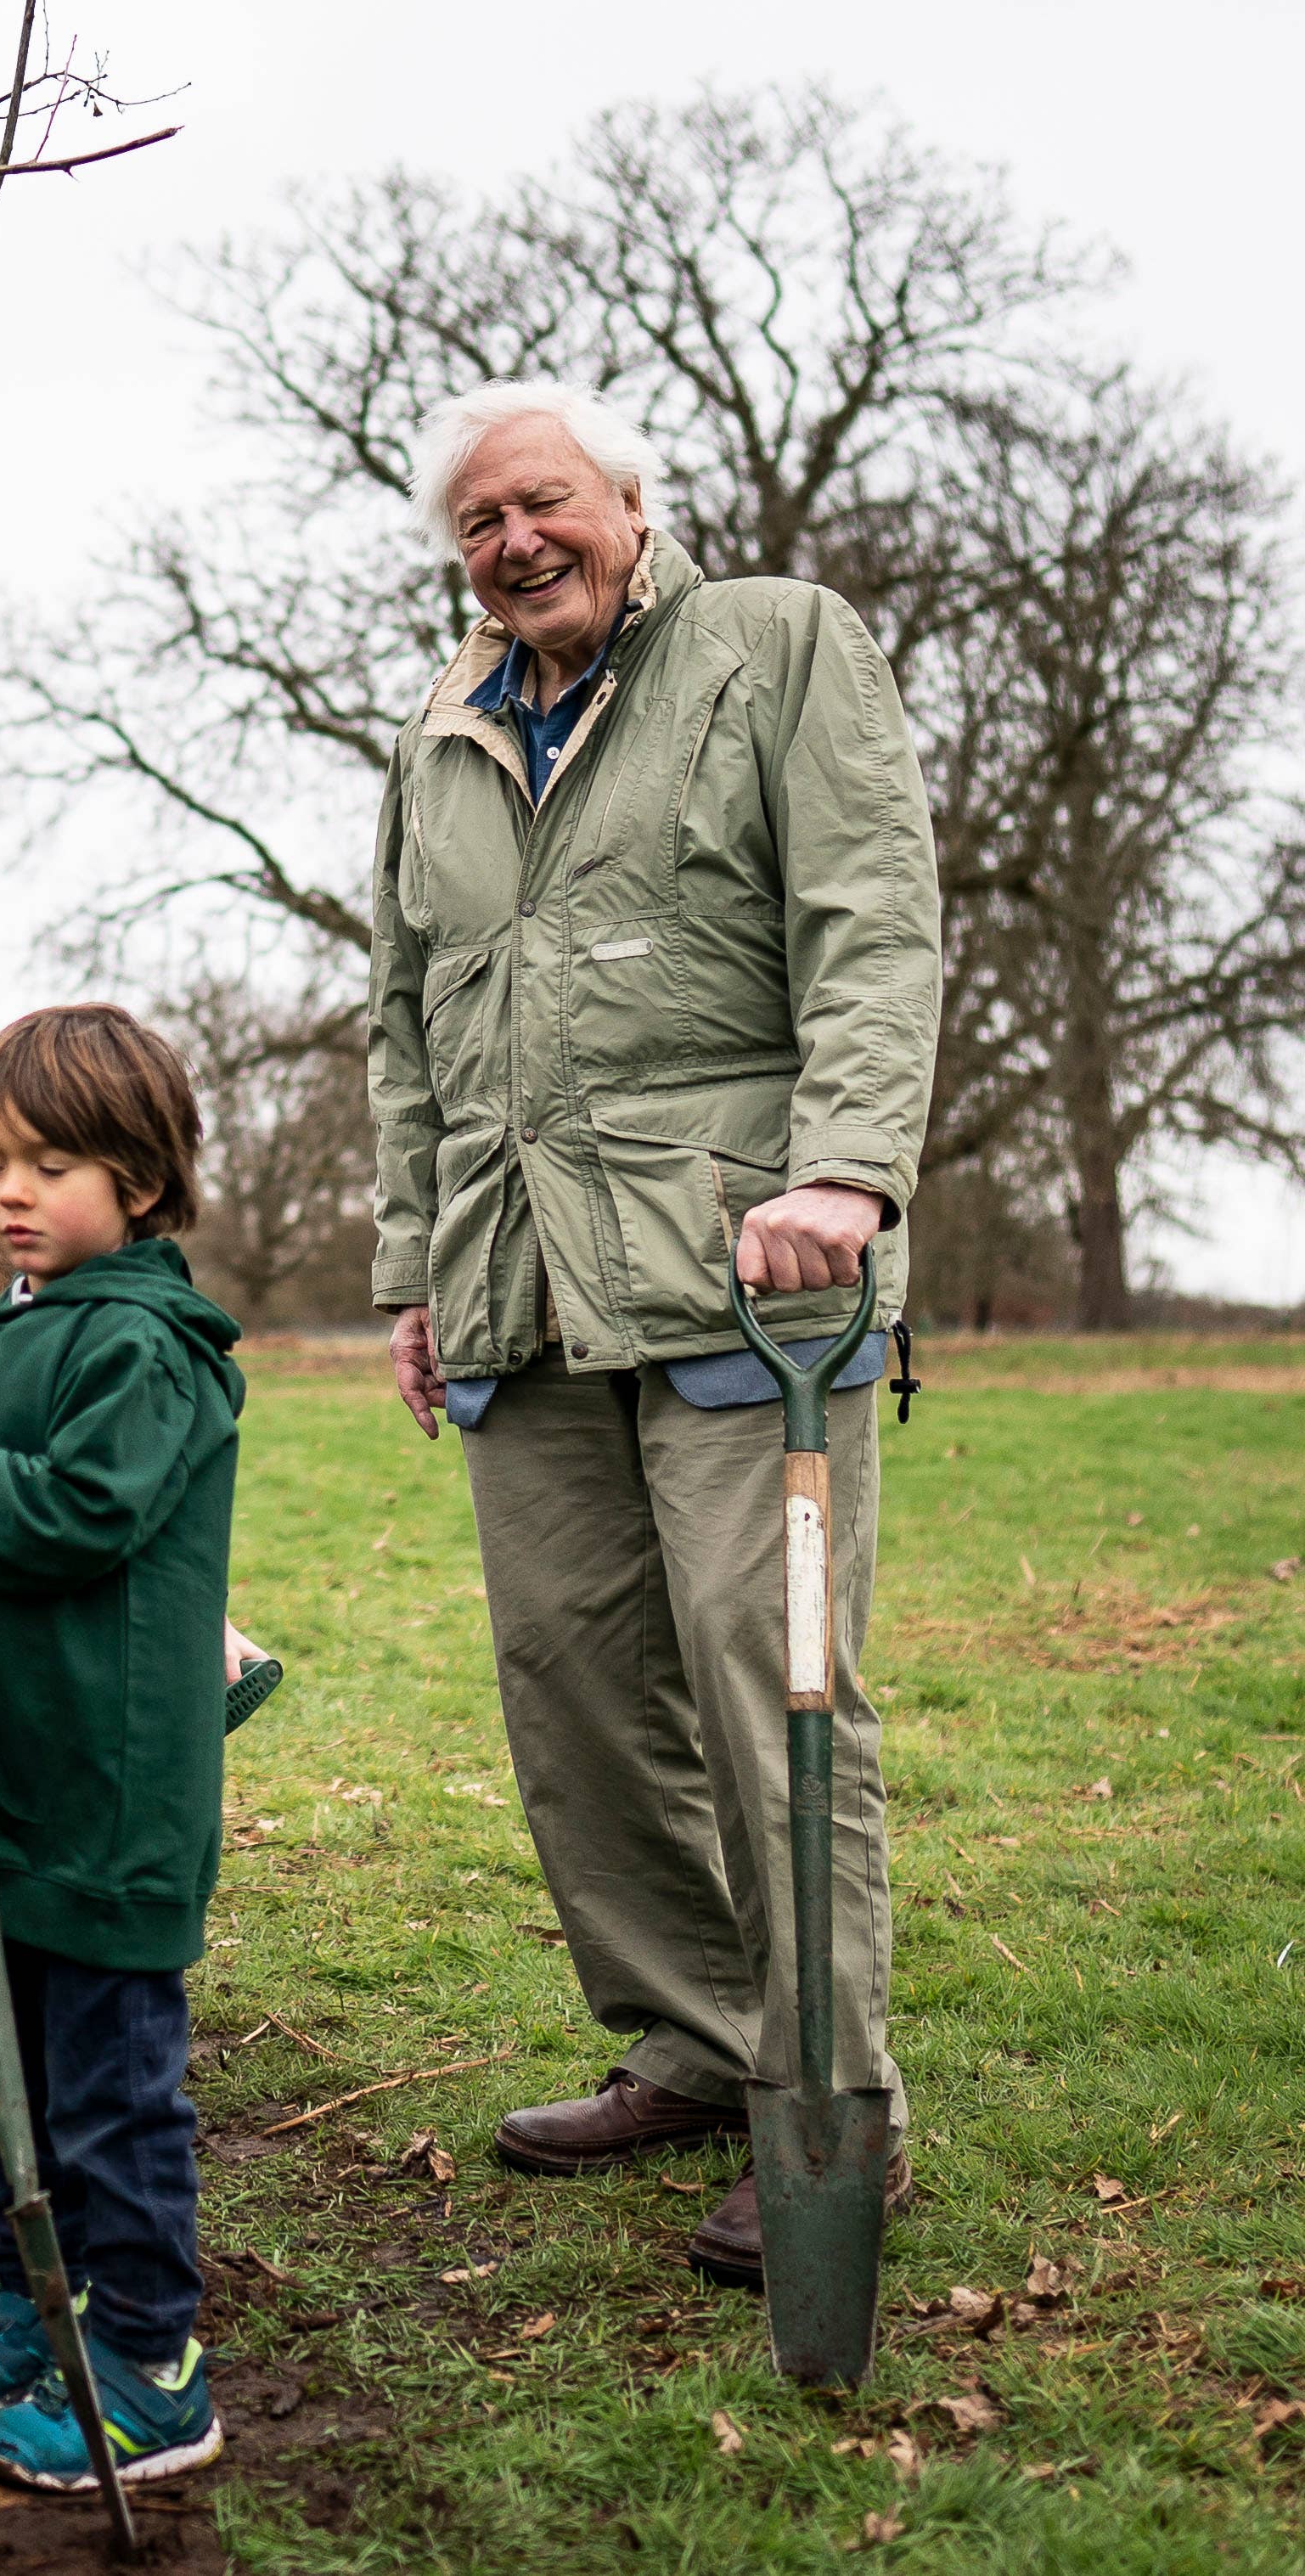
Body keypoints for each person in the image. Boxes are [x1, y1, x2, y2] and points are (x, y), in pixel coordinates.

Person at [365, 380, 938, 2286]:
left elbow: (871, 917)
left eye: (541, 503)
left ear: (626, 501)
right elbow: (408, 1021)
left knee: (766, 1679)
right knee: (575, 1685)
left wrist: (846, 1170)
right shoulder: (438, 735)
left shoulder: (773, 647)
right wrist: (411, 1267)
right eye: (473, 523)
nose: (511, 542)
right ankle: (694, 2036)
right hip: (519, 1284)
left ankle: (829, 2102)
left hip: (744, 1276)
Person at [0, 1004, 242, 2492]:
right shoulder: (22, 1320)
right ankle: (41, 2305)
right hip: (6, 1781)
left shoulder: (144, 1342)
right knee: (1, 2071)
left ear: (139, 1179)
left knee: (108, 2090)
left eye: (52, 1161)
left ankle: (148, 2369)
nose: (9, 1189)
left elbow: (77, 1515)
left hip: (107, 1791)